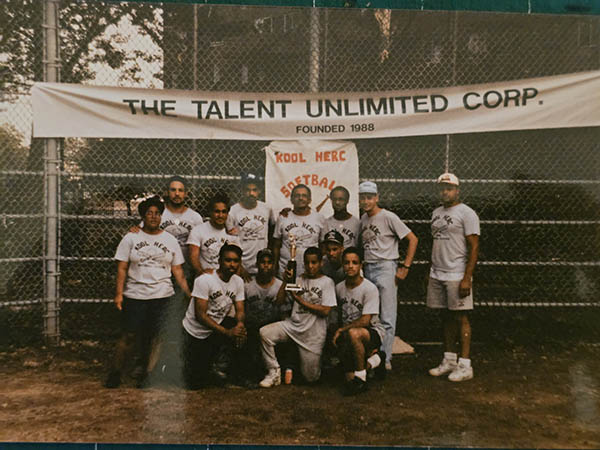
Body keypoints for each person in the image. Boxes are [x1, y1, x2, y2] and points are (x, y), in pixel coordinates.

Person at [105, 195, 190, 388]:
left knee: (156, 337)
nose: (153, 217)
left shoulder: (169, 240)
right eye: (149, 213)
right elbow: (122, 268)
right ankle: (115, 372)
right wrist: (118, 294)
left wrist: (187, 292)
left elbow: (177, 270)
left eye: (157, 214)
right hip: (135, 295)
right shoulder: (131, 238)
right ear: (143, 216)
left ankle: (148, 374)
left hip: (162, 295)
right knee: (129, 335)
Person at [358, 181, 418, 371]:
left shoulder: (388, 217)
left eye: (369, 197)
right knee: (371, 315)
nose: (366, 201)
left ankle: (385, 358)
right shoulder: (363, 220)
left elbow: (412, 239)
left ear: (377, 198)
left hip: (386, 267)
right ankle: (374, 355)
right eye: (363, 197)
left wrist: (405, 267)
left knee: (387, 316)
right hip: (368, 268)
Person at [427, 173, 480, 382]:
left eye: (449, 188)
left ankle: (465, 365)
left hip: (456, 273)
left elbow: (474, 246)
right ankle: (449, 360)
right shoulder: (436, 212)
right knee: (446, 316)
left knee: (461, 317)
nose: (445, 191)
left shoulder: (467, 213)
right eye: (441, 187)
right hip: (437, 272)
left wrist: (467, 277)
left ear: (457, 190)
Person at [258, 247, 336, 387]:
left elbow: (325, 310)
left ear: (321, 263)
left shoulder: (327, 282)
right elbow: (279, 302)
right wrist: (285, 282)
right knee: (265, 333)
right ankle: (274, 372)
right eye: (307, 263)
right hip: (293, 326)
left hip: (313, 335)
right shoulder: (298, 279)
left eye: (314, 263)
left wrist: (300, 301)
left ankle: (293, 363)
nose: (310, 266)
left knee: (311, 378)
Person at [182, 243, 250, 389]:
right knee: (196, 384)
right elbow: (200, 315)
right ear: (219, 261)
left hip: (216, 326)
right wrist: (227, 332)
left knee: (244, 331)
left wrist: (239, 325)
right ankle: (209, 368)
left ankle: (237, 375)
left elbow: (240, 309)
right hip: (196, 332)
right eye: (228, 260)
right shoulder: (205, 280)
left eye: (236, 261)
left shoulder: (237, 281)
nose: (232, 264)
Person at [333, 247, 386, 395]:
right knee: (348, 376)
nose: (350, 266)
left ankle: (361, 380)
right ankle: (375, 361)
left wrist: (342, 330)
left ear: (361, 265)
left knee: (354, 333)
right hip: (347, 333)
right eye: (347, 262)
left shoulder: (369, 288)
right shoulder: (339, 288)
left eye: (354, 262)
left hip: (372, 332)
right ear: (342, 265)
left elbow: (365, 320)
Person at [243, 248, 286, 381]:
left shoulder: (280, 285)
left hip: (270, 327)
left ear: (274, 265)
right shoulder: (247, 284)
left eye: (269, 262)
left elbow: (283, 312)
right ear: (257, 264)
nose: (266, 265)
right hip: (251, 327)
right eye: (262, 262)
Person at [272, 184, 326, 279]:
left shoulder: (319, 218)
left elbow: (323, 247)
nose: (300, 198)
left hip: (311, 272)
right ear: (291, 199)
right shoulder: (283, 218)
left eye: (304, 195)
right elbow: (276, 245)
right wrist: (275, 267)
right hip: (285, 271)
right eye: (297, 195)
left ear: (310, 200)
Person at [226, 172, 272, 276]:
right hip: (242, 264)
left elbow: (272, 231)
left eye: (254, 190)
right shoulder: (233, 211)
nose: (251, 193)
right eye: (247, 190)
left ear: (259, 191)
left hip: (262, 264)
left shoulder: (266, 209)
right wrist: (239, 266)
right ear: (242, 191)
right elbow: (230, 242)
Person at [187, 193, 240, 277]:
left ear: (227, 213)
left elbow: (237, 261)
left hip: (226, 279)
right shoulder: (198, 230)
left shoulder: (232, 233)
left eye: (224, 212)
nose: (220, 215)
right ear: (210, 212)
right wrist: (202, 273)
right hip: (207, 278)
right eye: (217, 211)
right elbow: (193, 258)